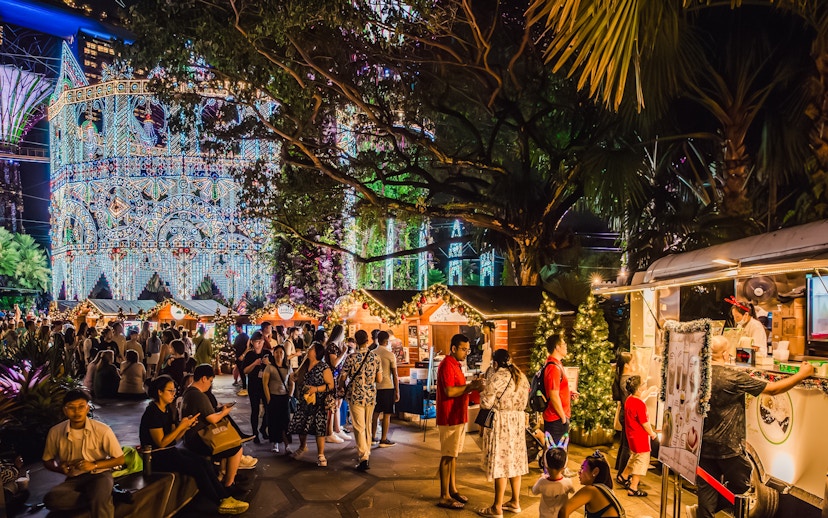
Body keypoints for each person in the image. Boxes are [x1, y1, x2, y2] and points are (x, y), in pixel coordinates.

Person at [693, 335, 814, 518]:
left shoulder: (697, 374)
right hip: (729, 446)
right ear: (725, 354)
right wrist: (801, 375)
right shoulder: (732, 377)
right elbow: (773, 389)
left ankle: (702, 513)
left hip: (702, 444)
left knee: (706, 489)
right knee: (741, 487)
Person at [140, 375, 249, 515]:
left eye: (174, 391)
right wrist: (181, 427)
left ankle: (225, 496)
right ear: (159, 392)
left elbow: (174, 438)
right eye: (170, 391)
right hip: (156, 456)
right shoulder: (152, 412)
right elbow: (161, 442)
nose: (173, 394)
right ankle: (220, 500)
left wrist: (185, 426)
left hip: (169, 450)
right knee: (196, 466)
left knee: (203, 462)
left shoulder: (167, 409)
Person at [41, 389, 125, 518]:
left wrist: (94, 465)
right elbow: (47, 460)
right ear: (64, 410)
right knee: (51, 499)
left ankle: (100, 497)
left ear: (88, 408)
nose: (76, 412)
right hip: (74, 477)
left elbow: (119, 459)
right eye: (71, 408)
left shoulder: (102, 430)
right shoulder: (55, 432)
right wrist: (59, 468)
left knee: (99, 497)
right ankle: (105, 496)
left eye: (81, 407)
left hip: (100, 474)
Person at [477, 349, 529, 517]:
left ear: (496, 363)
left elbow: (486, 403)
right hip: (517, 422)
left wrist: (481, 390)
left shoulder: (497, 377)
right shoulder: (521, 376)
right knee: (515, 462)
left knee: (502, 462)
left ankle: (497, 507)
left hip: (502, 423)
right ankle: (515, 501)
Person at [435, 333, 484, 510]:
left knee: (453, 455)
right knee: (447, 456)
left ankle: (452, 489)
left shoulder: (456, 364)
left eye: (467, 349)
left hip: (457, 415)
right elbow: (449, 391)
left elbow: (459, 388)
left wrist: (470, 386)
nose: (466, 353)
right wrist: (471, 387)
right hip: (449, 417)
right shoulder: (447, 364)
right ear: (454, 348)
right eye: (463, 349)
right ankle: (444, 495)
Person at [181, 364, 247, 490]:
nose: (210, 384)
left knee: (229, 443)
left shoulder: (188, 392)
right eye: (210, 381)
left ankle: (224, 476)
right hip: (200, 439)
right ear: (204, 378)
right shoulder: (199, 395)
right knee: (237, 448)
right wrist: (224, 412)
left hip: (191, 437)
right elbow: (212, 418)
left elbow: (205, 413)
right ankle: (229, 484)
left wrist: (219, 409)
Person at [340, 329, 382, 471]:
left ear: (356, 341)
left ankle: (364, 457)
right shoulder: (375, 357)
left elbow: (343, 377)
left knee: (359, 426)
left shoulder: (350, 358)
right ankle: (367, 452)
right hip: (370, 396)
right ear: (367, 340)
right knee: (368, 425)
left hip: (355, 395)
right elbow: (379, 379)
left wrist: (341, 386)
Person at [287, 342, 334, 467]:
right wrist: (293, 377)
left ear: (317, 352)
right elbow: (296, 377)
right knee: (302, 425)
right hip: (304, 401)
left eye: (311, 349)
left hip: (318, 402)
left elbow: (331, 385)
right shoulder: (305, 364)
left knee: (319, 428)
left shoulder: (324, 367)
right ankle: (302, 447)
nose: (309, 350)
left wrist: (316, 389)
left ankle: (321, 454)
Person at [616, 375, 656, 496]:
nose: (645, 385)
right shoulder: (640, 405)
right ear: (638, 389)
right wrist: (652, 434)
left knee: (634, 457)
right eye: (643, 384)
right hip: (641, 438)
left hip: (631, 436)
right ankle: (633, 487)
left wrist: (649, 391)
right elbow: (645, 423)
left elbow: (640, 399)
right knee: (641, 461)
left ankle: (623, 476)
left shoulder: (629, 399)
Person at [561, 451, 623, 518]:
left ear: (595, 472)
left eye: (582, 468)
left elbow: (564, 511)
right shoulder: (605, 489)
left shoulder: (591, 490)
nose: (579, 472)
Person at [262, 347, 294, 454]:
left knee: (285, 421)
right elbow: (265, 384)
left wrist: (290, 396)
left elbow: (291, 382)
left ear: (284, 354)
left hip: (284, 397)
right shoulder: (269, 368)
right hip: (273, 397)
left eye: (281, 352)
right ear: (273, 354)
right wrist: (268, 398)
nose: (279, 354)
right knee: (274, 421)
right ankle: (275, 443)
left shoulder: (288, 368)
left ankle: (287, 445)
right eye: (276, 352)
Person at [371, 330, 399, 447]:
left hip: (375, 387)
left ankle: (372, 437)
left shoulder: (372, 353)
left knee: (375, 413)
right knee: (387, 414)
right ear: (387, 341)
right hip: (388, 386)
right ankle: (383, 439)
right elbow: (395, 374)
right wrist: (397, 391)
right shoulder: (390, 355)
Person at [542, 334, 571, 445]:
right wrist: (563, 418)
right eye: (564, 343)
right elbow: (553, 395)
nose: (566, 346)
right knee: (556, 454)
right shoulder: (553, 367)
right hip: (556, 418)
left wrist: (569, 393)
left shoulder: (557, 364)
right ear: (557, 347)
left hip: (557, 417)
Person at [531, 447, 574, 518]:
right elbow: (572, 491)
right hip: (562, 515)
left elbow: (534, 491)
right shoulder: (568, 482)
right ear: (564, 466)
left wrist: (540, 478)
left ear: (545, 464)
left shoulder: (542, 482)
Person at [242, 331, 268, 443]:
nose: (259, 344)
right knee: (255, 410)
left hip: (266, 385)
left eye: (261, 341)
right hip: (253, 385)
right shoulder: (249, 355)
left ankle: (263, 429)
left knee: (268, 408)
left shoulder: (266, 354)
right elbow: (245, 371)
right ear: (252, 342)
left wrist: (268, 363)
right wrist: (254, 364)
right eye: (257, 342)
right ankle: (255, 433)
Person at [325, 324, 348, 444]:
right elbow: (334, 363)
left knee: (337, 404)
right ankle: (330, 432)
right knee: (332, 405)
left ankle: (337, 429)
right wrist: (343, 353)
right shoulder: (332, 347)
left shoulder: (336, 345)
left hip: (338, 378)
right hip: (332, 378)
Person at [611, 351, 633, 471]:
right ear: (626, 365)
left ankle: (619, 468)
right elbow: (632, 399)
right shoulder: (627, 380)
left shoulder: (622, 378)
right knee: (627, 445)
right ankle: (622, 472)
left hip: (624, 413)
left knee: (624, 442)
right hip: (627, 414)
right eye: (632, 362)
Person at [233, 323, 249, 394]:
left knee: (243, 372)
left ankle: (244, 387)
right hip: (238, 356)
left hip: (243, 357)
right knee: (240, 371)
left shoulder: (245, 336)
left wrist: (243, 355)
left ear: (240, 327)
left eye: (236, 327)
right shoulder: (237, 337)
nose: (236, 329)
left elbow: (248, 347)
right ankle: (243, 386)